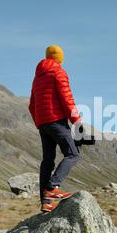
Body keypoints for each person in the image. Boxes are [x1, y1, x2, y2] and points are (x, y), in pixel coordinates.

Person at [28, 45, 83, 213]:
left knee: (48, 160)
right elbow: (67, 99)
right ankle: (52, 188)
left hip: (43, 124)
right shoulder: (59, 72)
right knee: (73, 154)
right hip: (57, 121)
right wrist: (77, 122)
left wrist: (40, 122)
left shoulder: (38, 77)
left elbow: (32, 105)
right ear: (60, 58)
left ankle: (46, 202)